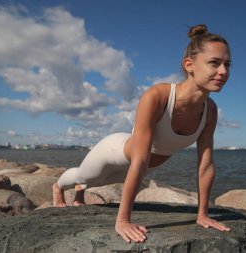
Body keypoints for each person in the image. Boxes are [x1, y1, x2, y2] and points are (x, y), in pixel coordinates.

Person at [53, 24, 232, 243]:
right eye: (215, 63)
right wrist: (123, 220)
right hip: (115, 152)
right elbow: (139, 159)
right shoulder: (158, 97)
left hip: (146, 165)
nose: (223, 72)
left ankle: (80, 193)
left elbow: (205, 165)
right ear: (190, 65)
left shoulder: (210, 111)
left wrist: (202, 214)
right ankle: (58, 187)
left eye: (227, 64)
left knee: (99, 184)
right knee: (84, 176)